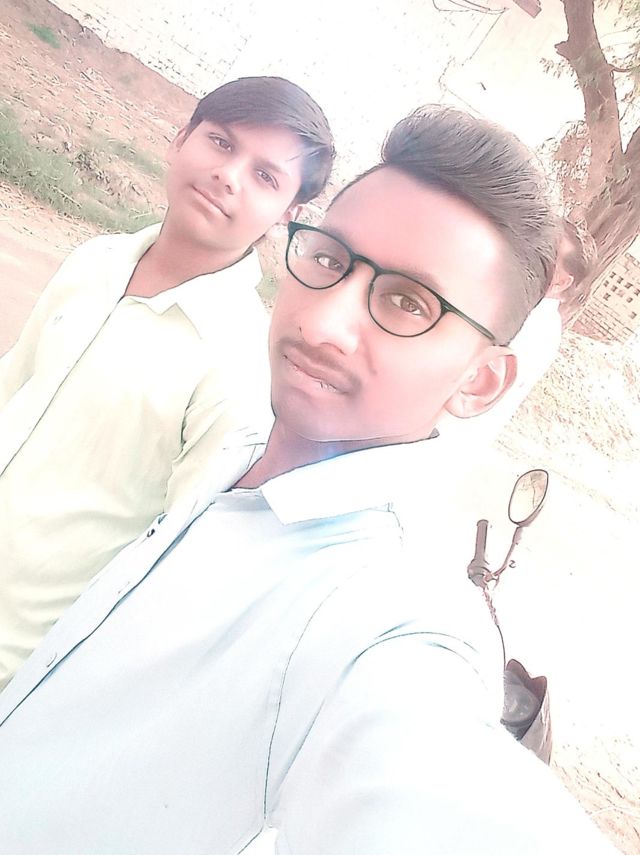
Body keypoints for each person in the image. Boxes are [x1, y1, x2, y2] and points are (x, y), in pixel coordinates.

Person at [0, 107, 614, 854]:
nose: (322, 323)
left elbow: (434, 779)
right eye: (329, 260)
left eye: (408, 304)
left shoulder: (388, 613)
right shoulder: (241, 450)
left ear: (480, 382)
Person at [0, 76, 334, 689]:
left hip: (18, 658)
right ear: (181, 139)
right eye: (221, 142)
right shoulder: (96, 261)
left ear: (288, 214)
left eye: (265, 176)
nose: (228, 175)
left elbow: (172, 561)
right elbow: (14, 386)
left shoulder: (236, 366)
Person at [436, 216, 597, 448]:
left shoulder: (530, 324)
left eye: (545, 252)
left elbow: (458, 377)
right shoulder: (532, 315)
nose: (528, 251)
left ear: (561, 282)